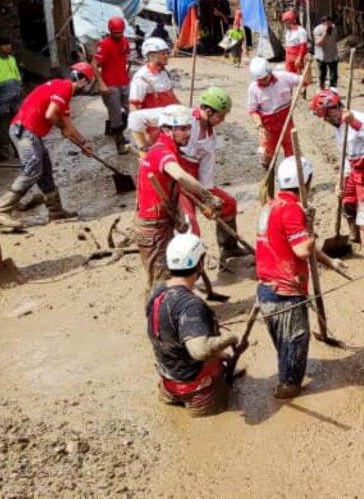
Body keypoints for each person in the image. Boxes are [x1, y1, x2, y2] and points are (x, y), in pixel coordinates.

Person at [255, 156, 348, 399]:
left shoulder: (271, 205)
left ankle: (286, 378)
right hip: (286, 292)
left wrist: (329, 261)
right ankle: (287, 388)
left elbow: (295, 243)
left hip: (266, 290)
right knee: (295, 343)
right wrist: (311, 226)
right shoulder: (292, 209)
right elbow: (302, 249)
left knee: (283, 344)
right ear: (305, 181)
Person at [129, 88, 246, 268]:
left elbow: (205, 176)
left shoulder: (210, 139)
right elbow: (135, 119)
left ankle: (228, 248)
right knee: (191, 228)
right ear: (208, 111)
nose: (187, 133)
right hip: (175, 180)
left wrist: (207, 199)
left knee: (228, 204)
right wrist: (143, 148)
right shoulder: (179, 117)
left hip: (193, 181)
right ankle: (189, 270)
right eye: (220, 116)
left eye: (188, 129)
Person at [146, 233, 237, 417]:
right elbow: (200, 350)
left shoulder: (157, 292)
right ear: (200, 264)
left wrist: (219, 353)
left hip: (168, 380)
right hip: (198, 389)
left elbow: (171, 334)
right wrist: (231, 338)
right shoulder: (191, 306)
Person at [134, 104, 224, 288]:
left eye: (189, 127)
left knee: (167, 278)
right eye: (182, 129)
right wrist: (208, 197)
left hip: (163, 222)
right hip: (152, 228)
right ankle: (159, 314)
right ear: (167, 129)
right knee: (161, 282)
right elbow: (181, 176)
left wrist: (178, 218)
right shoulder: (161, 151)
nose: (188, 133)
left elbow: (175, 189)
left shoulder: (172, 150)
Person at [0, 63, 96, 222]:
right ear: (84, 81)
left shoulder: (61, 87)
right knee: (33, 168)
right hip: (24, 131)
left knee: (45, 170)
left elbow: (67, 125)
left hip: (29, 132)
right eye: (89, 83)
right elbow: (51, 115)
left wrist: (83, 143)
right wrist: (63, 128)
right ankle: (2, 211)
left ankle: (55, 211)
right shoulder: (64, 89)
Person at [311, 89, 364, 264]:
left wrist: (354, 123)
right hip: (355, 170)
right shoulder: (338, 128)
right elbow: (346, 156)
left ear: (333, 109)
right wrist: (342, 180)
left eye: (325, 116)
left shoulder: (359, 118)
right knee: (348, 202)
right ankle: (356, 238)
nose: (325, 120)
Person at [247, 57, 303, 172]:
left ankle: (295, 177)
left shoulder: (283, 77)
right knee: (267, 156)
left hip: (286, 123)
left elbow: (305, 81)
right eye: (260, 80)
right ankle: (268, 173)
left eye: (265, 78)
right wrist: (259, 125)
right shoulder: (253, 88)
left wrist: (307, 65)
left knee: (292, 153)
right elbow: (252, 110)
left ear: (269, 72)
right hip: (268, 126)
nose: (263, 82)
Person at [93, 16, 132, 154]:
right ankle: (119, 143)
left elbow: (125, 57)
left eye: (121, 32)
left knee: (130, 111)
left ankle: (116, 132)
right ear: (110, 31)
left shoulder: (125, 41)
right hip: (110, 84)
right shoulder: (104, 45)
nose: (119, 35)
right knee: (116, 115)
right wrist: (101, 83)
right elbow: (94, 64)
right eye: (116, 33)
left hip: (124, 82)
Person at [129, 37, 178, 112]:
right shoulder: (142, 77)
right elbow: (134, 106)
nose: (166, 56)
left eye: (167, 53)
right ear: (151, 56)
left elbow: (172, 98)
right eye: (163, 53)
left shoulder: (164, 73)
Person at [312, 16, 340, 90]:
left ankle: (333, 90)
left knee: (334, 75)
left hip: (333, 55)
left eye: (330, 23)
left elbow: (334, 40)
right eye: (327, 23)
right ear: (323, 23)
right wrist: (325, 32)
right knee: (322, 75)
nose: (329, 25)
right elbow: (318, 43)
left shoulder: (333, 27)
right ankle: (322, 90)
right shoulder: (317, 29)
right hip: (321, 56)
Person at [281, 10, 309, 75]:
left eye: (286, 22)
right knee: (289, 77)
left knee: (299, 78)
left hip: (297, 59)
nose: (285, 24)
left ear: (291, 21)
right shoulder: (288, 32)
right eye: (285, 22)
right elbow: (288, 46)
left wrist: (299, 59)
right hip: (289, 59)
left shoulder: (301, 31)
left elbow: (303, 47)